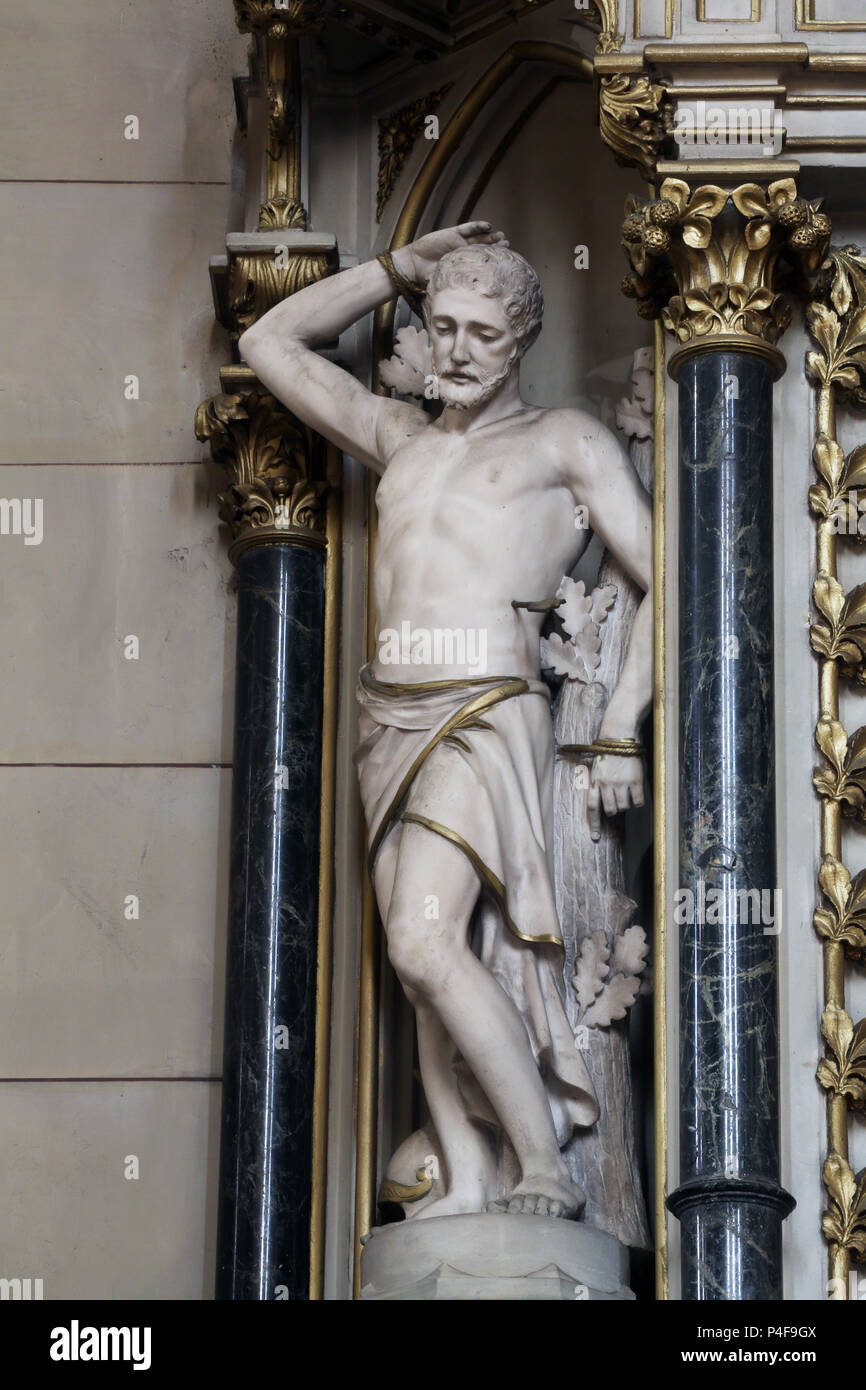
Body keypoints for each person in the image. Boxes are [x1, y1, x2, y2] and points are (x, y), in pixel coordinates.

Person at [239, 221, 652, 1220]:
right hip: (389, 720)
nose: (458, 350)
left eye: (482, 333)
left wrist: (619, 725)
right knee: (415, 965)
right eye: (442, 326)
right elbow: (266, 344)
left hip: (485, 711)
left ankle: (544, 1164)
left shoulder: (565, 442)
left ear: (521, 342)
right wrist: (396, 268)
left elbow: (664, 576)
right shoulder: (397, 438)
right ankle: (469, 1176)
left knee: (424, 941)